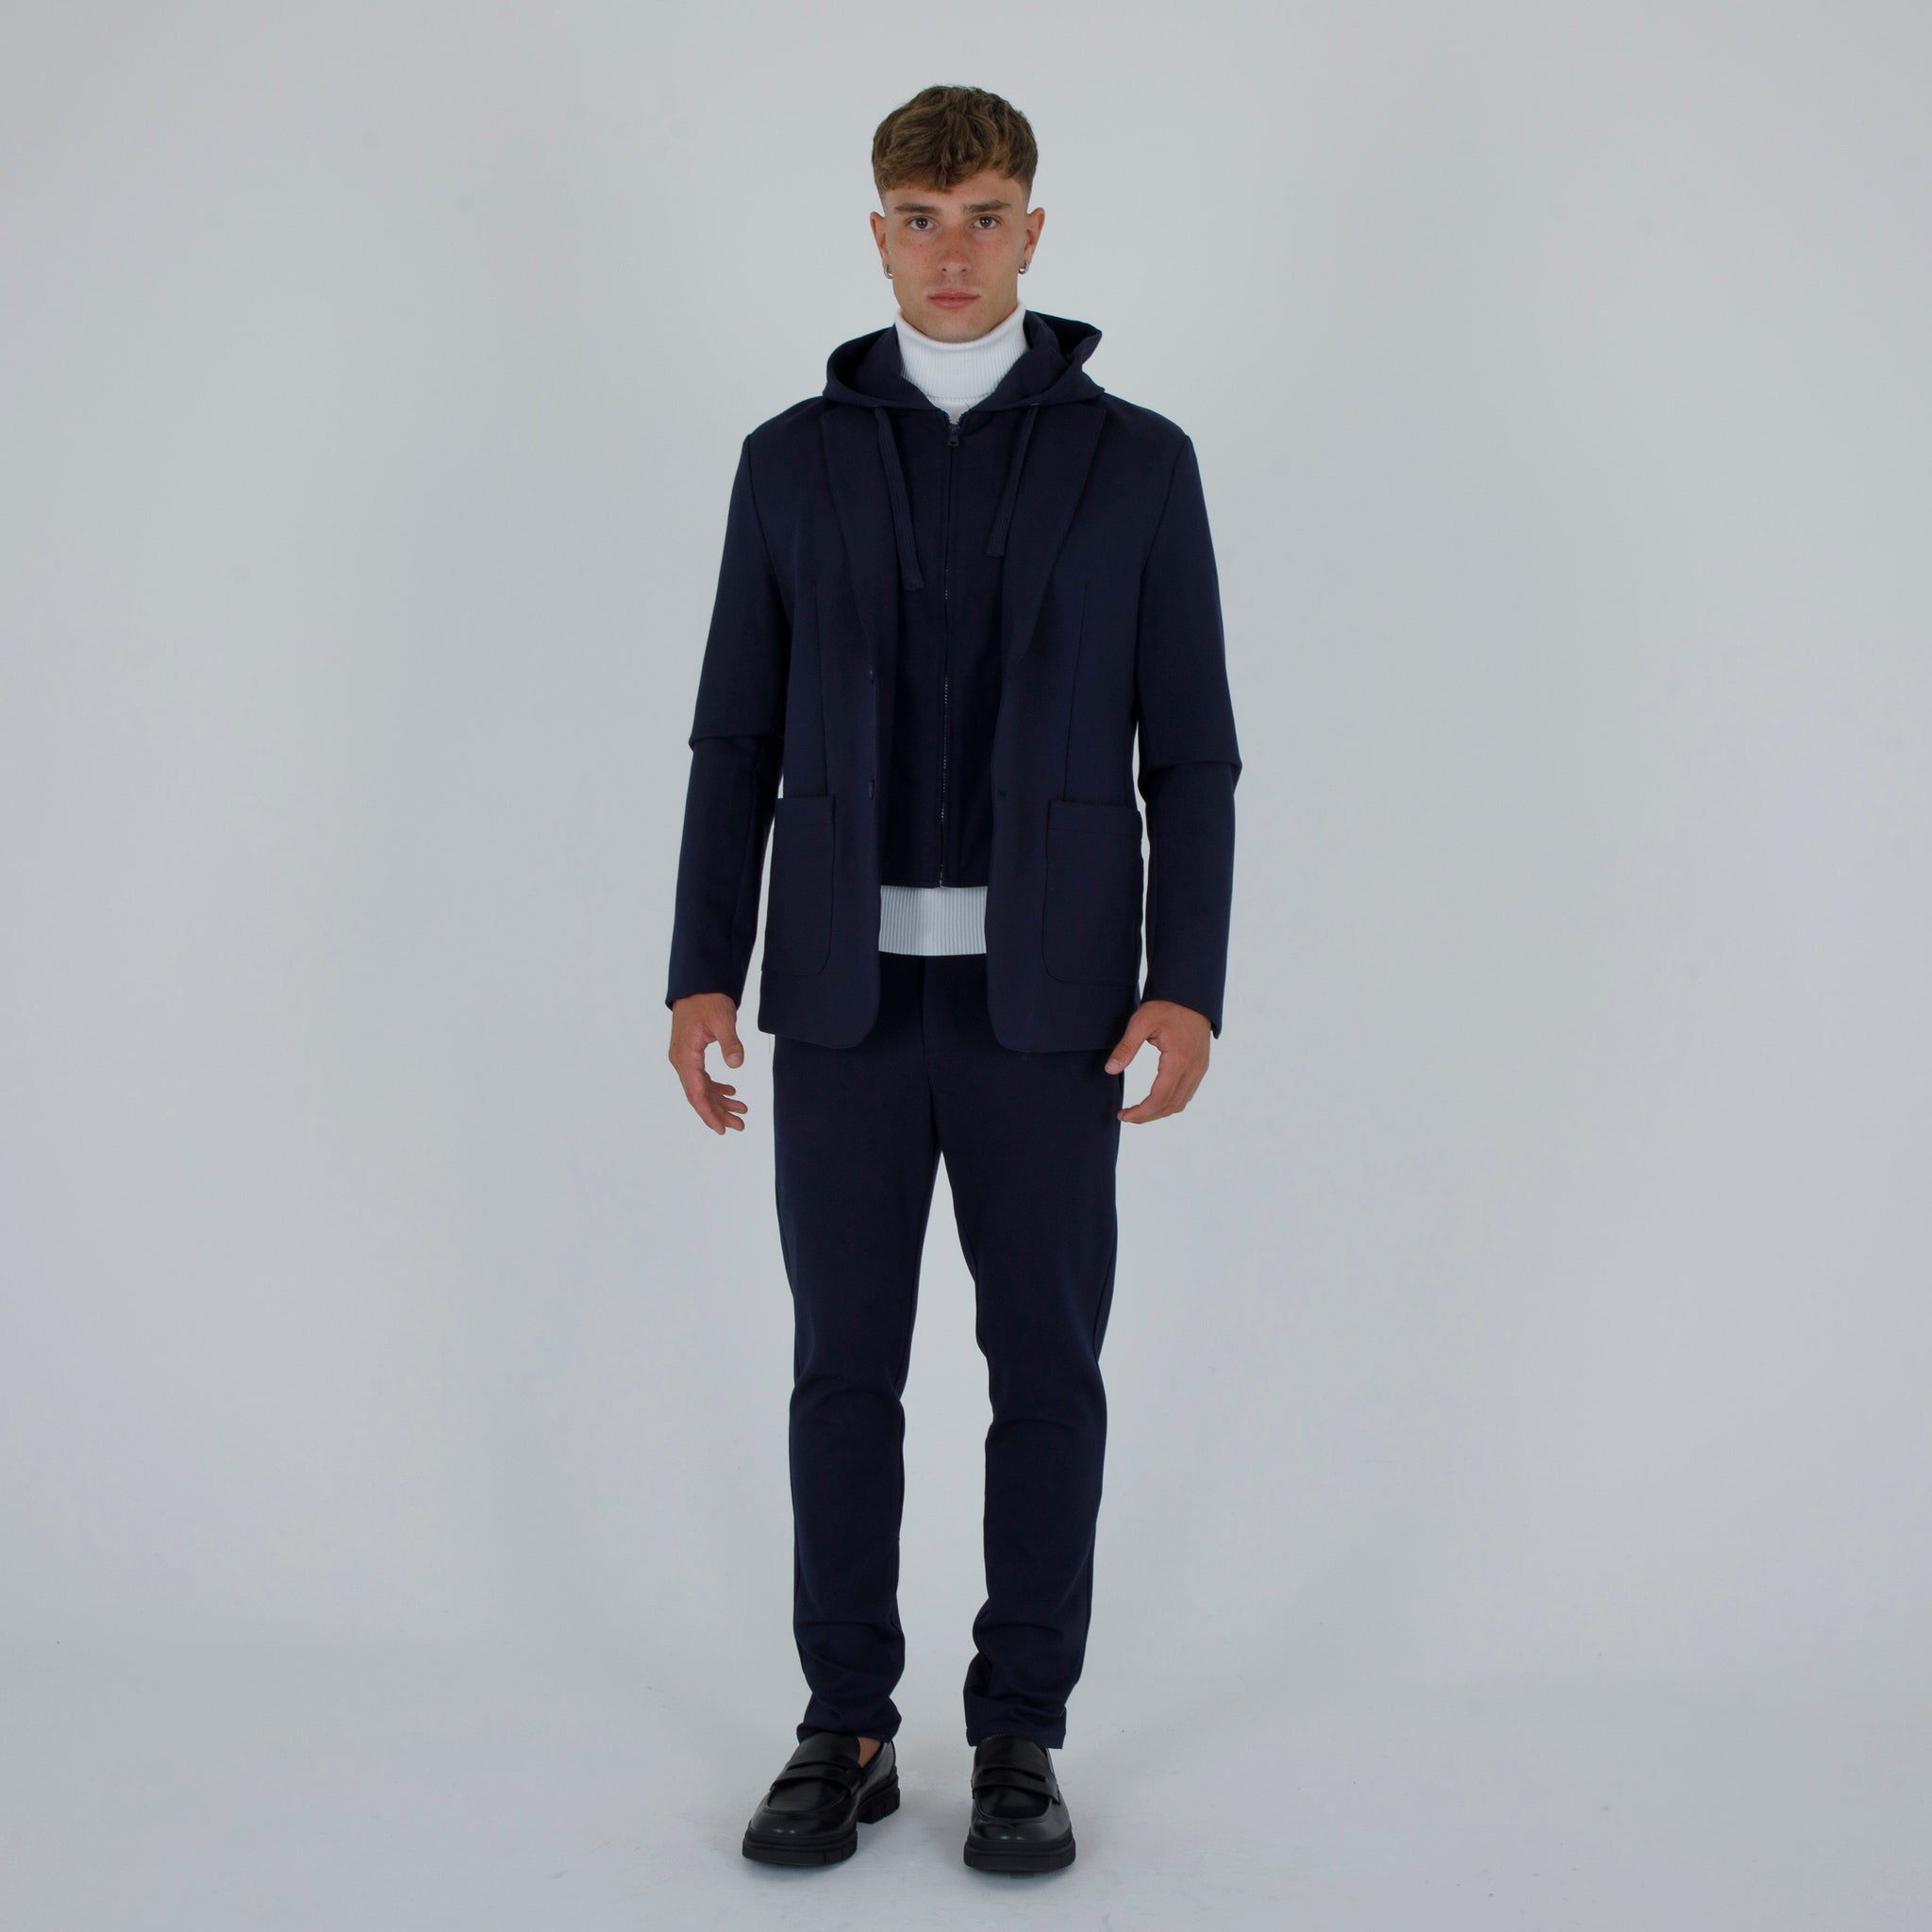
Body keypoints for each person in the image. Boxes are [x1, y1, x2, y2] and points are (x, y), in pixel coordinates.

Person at [664, 82, 1241, 1875]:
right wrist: (699, 971)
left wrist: (1188, 981)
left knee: (1044, 1371)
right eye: (920, 219)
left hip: (1051, 1012)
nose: (953, 251)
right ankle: (845, 1721)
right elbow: (734, 736)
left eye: (986, 215)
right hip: (841, 1005)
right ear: (877, 233)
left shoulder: (1140, 464)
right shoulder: (789, 461)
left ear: (1034, 230)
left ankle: (1019, 1731)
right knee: (841, 1371)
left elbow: (1191, 753)